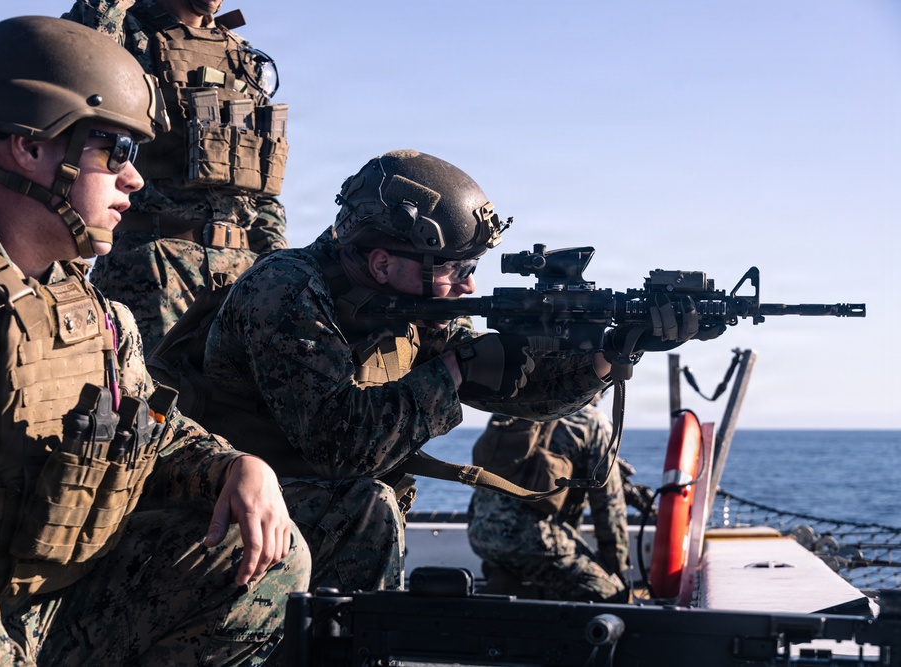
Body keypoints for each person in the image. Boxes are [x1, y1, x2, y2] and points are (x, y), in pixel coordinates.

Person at [0, 17, 308, 665]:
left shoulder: (91, 313)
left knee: (263, 551)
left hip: (35, 613)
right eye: (113, 149)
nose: (135, 179)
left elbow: (149, 422)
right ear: (26, 145)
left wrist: (234, 465)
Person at [150, 149, 711, 594]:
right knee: (367, 505)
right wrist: (451, 373)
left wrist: (610, 356)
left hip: (294, 500)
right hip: (215, 502)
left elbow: (514, 390)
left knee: (374, 502)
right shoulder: (287, 289)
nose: (468, 287)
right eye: (457, 269)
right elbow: (341, 445)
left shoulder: (410, 302)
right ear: (382, 263)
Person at [64, 0, 289, 352]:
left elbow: (259, 181)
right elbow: (72, 63)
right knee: (152, 401)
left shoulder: (244, 58)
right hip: (154, 267)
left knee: (239, 406)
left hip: (243, 272)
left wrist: (277, 266)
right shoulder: (126, 32)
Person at [467, 394, 630, 603]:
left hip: (480, 534)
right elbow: (608, 507)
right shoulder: (593, 421)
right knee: (610, 593)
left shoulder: (515, 408)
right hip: (533, 543)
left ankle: (506, 579)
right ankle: (521, 591)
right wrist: (616, 572)